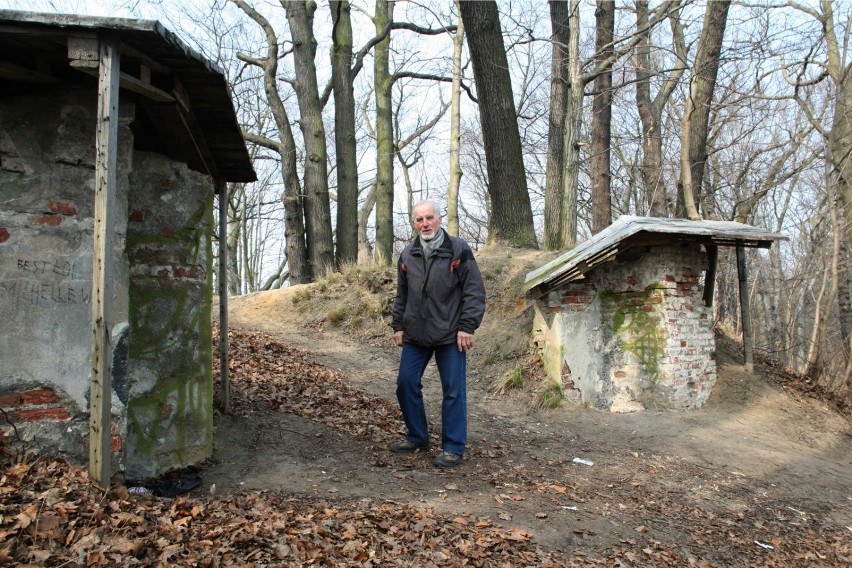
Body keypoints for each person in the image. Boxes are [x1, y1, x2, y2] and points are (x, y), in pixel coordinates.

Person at [389, 201, 486, 468]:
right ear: (414, 223)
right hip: (416, 335)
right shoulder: (408, 254)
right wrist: (398, 326)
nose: (425, 224)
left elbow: (474, 291)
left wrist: (467, 327)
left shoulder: (458, 249)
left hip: (450, 334)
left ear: (439, 219)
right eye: (419, 220)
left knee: (453, 391)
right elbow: (402, 294)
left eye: (429, 218)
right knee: (405, 384)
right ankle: (417, 436)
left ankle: (453, 447)